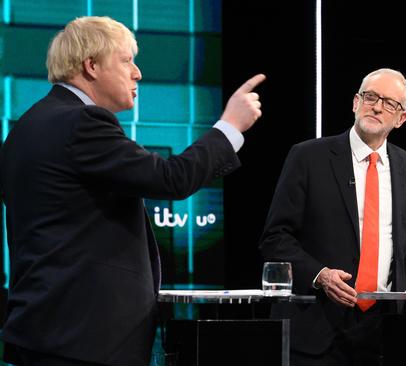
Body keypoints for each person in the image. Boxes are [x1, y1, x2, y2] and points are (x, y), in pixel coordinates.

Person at [0, 16, 264, 366]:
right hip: (83, 340)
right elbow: (172, 178)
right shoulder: (82, 122)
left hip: (46, 331)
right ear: (91, 65)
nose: (137, 73)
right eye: (126, 60)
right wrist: (229, 127)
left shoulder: (28, 126)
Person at [259, 68, 406, 366]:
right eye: (371, 97)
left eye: (390, 103)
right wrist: (320, 276)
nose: (378, 107)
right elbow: (275, 238)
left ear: (401, 118)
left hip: (379, 335)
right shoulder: (308, 157)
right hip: (313, 332)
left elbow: (397, 252)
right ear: (356, 102)